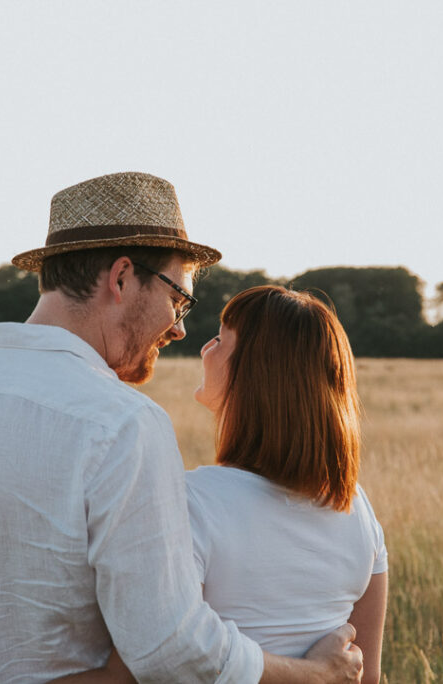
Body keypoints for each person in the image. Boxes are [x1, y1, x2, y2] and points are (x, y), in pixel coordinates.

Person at [0, 171, 363, 683]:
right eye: (178, 298)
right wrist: (312, 675)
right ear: (121, 278)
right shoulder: (121, 424)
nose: (179, 327)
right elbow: (171, 649)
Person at [60, 285, 388, 684]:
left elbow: (138, 671)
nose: (204, 349)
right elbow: (366, 676)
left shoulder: (191, 502)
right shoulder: (357, 508)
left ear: (253, 370)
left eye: (219, 339)